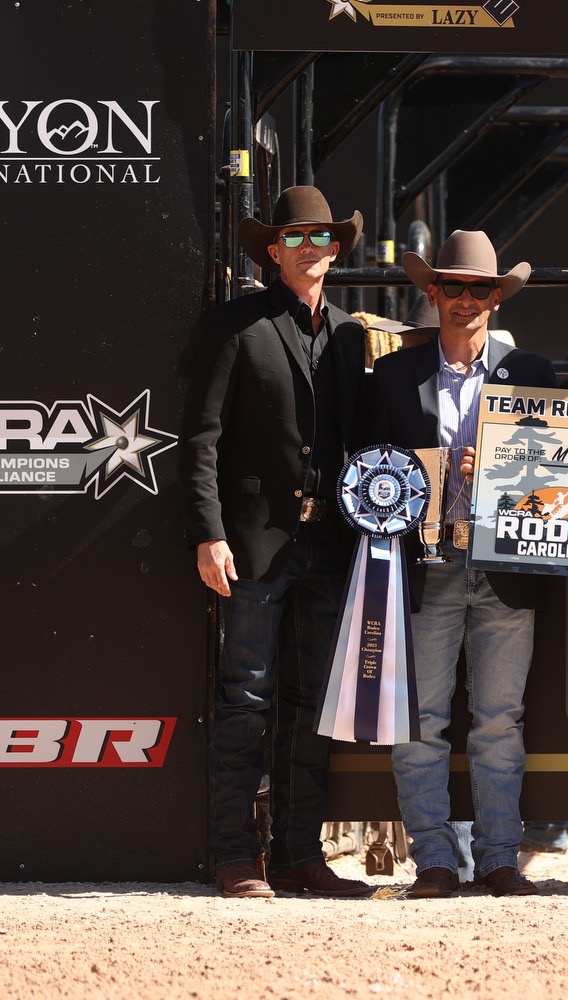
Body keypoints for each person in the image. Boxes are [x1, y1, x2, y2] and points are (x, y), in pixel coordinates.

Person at [179, 185, 373, 898]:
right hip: (255, 547)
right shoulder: (236, 325)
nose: (311, 249)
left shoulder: (351, 334)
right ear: (272, 251)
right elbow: (200, 441)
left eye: (322, 238)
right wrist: (209, 534)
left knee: (312, 703)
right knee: (246, 700)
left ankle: (297, 853)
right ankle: (234, 855)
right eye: (296, 238)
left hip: (333, 542)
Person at [368, 230, 558, 899]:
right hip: (427, 561)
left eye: (482, 288)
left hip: (506, 565)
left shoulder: (531, 372)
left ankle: (501, 858)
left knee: (499, 719)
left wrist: (505, 474)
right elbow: (369, 471)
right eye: (455, 287)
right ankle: (436, 862)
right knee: (422, 722)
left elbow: (564, 471)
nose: (468, 299)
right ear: (433, 293)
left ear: (497, 299)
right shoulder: (393, 374)